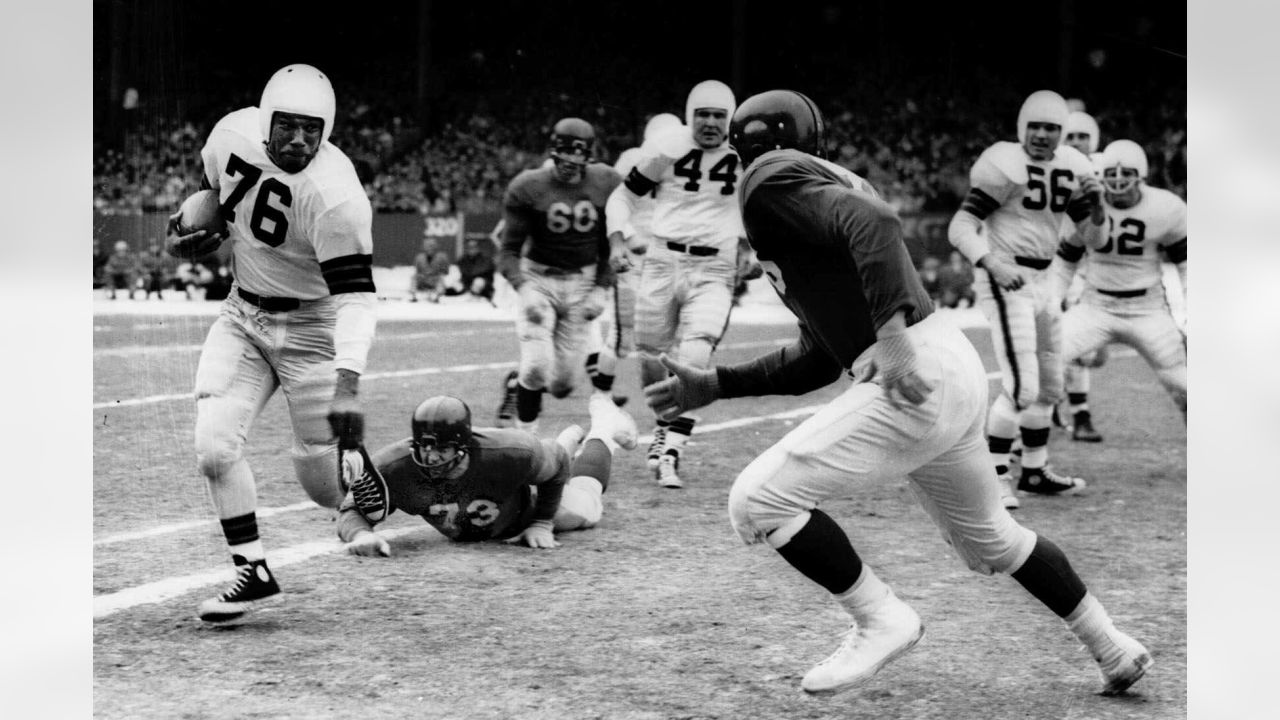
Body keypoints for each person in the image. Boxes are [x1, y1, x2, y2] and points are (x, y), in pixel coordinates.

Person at [645, 89, 1152, 698]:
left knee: (758, 502)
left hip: (913, 371)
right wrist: (719, 383)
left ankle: (880, 618)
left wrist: (889, 337)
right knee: (994, 540)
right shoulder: (830, 181)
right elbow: (817, 356)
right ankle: (1111, 645)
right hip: (947, 365)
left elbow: (876, 223)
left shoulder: (767, 175)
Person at [166, 64, 377, 624]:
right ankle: (252, 570)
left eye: (312, 129)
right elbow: (210, 200)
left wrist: (349, 384)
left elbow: (356, 298)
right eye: (288, 126)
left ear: (326, 131)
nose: (299, 140)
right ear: (265, 121)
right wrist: (180, 239)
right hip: (244, 315)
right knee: (214, 445)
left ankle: (360, 470)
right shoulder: (230, 137)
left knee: (324, 488)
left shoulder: (337, 196)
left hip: (313, 331)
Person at [946, 90, 1105, 508]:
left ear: (1062, 133)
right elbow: (960, 226)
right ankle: (993, 478)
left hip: (1046, 278)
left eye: (1051, 127)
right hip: (1007, 276)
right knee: (1021, 387)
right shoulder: (1003, 164)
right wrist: (991, 263)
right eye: (1035, 125)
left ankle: (1034, 469)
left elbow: (1095, 239)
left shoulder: (1072, 167)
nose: (1042, 134)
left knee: (1051, 387)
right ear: (1022, 128)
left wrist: (1099, 203)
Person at [605, 80, 757, 488]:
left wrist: (750, 249)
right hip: (661, 260)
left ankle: (673, 445)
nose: (710, 123)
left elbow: (761, 207)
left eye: (719, 115)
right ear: (690, 116)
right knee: (651, 356)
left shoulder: (748, 150)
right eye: (702, 114)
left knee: (694, 353)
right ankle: (663, 425)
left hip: (714, 267)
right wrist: (617, 240)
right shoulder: (666, 147)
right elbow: (622, 197)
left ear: (731, 117)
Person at [337, 393, 636, 555]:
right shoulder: (395, 468)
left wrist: (542, 522)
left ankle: (605, 428)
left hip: (525, 506)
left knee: (587, 502)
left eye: (442, 448)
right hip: (491, 513)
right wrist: (361, 534)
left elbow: (556, 465)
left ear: (464, 446)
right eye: (424, 446)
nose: (431, 456)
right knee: (549, 456)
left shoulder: (509, 452)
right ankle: (566, 440)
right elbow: (353, 507)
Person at [496, 117, 630, 443]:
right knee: (537, 366)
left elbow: (613, 244)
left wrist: (601, 287)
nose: (568, 166)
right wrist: (524, 290)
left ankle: (517, 385)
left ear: (589, 157)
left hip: (583, 283)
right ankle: (525, 441)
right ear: (552, 153)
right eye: (562, 159)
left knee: (561, 385)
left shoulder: (608, 183)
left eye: (576, 159)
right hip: (539, 278)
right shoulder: (528, 186)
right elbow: (508, 251)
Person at [1052, 140, 1187, 428]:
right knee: (1044, 362)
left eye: (1125, 172)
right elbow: (1066, 260)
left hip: (1147, 308)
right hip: (1095, 305)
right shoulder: (1086, 205)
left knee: (1182, 381)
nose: (1117, 179)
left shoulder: (1165, 207)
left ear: (1141, 175)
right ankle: (1025, 457)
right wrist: (1051, 302)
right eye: (1111, 173)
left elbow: (1187, 264)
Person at [585, 112, 685, 407]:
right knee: (622, 334)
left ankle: (668, 396)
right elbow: (614, 204)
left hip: (666, 259)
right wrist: (629, 236)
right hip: (632, 259)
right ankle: (601, 396)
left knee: (669, 332)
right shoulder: (633, 160)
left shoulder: (686, 166)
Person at [1057, 110, 1107, 441]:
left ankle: (1060, 407)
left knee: (1093, 352)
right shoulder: (1052, 167)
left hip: (1099, 265)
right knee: (1068, 343)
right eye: (1071, 136)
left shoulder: (1106, 169)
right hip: (1060, 263)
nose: (1076, 142)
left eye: (1082, 136)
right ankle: (1080, 415)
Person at [455, 237, 497, 304]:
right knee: (455, 282)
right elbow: (458, 272)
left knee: (478, 281)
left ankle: (475, 299)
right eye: (469, 247)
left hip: (483, 291)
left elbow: (481, 272)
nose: (471, 249)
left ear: (478, 248)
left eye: (474, 247)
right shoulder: (462, 260)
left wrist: (471, 275)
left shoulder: (486, 260)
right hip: (465, 289)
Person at [411, 236, 452, 303]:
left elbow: (446, 272)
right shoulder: (419, 257)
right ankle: (413, 296)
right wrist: (422, 276)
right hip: (423, 279)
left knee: (440, 278)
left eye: (432, 245)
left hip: (435, 279)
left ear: (436, 247)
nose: (429, 248)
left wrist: (437, 274)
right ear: (424, 247)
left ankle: (438, 297)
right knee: (414, 277)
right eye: (427, 245)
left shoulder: (442, 257)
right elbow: (418, 271)